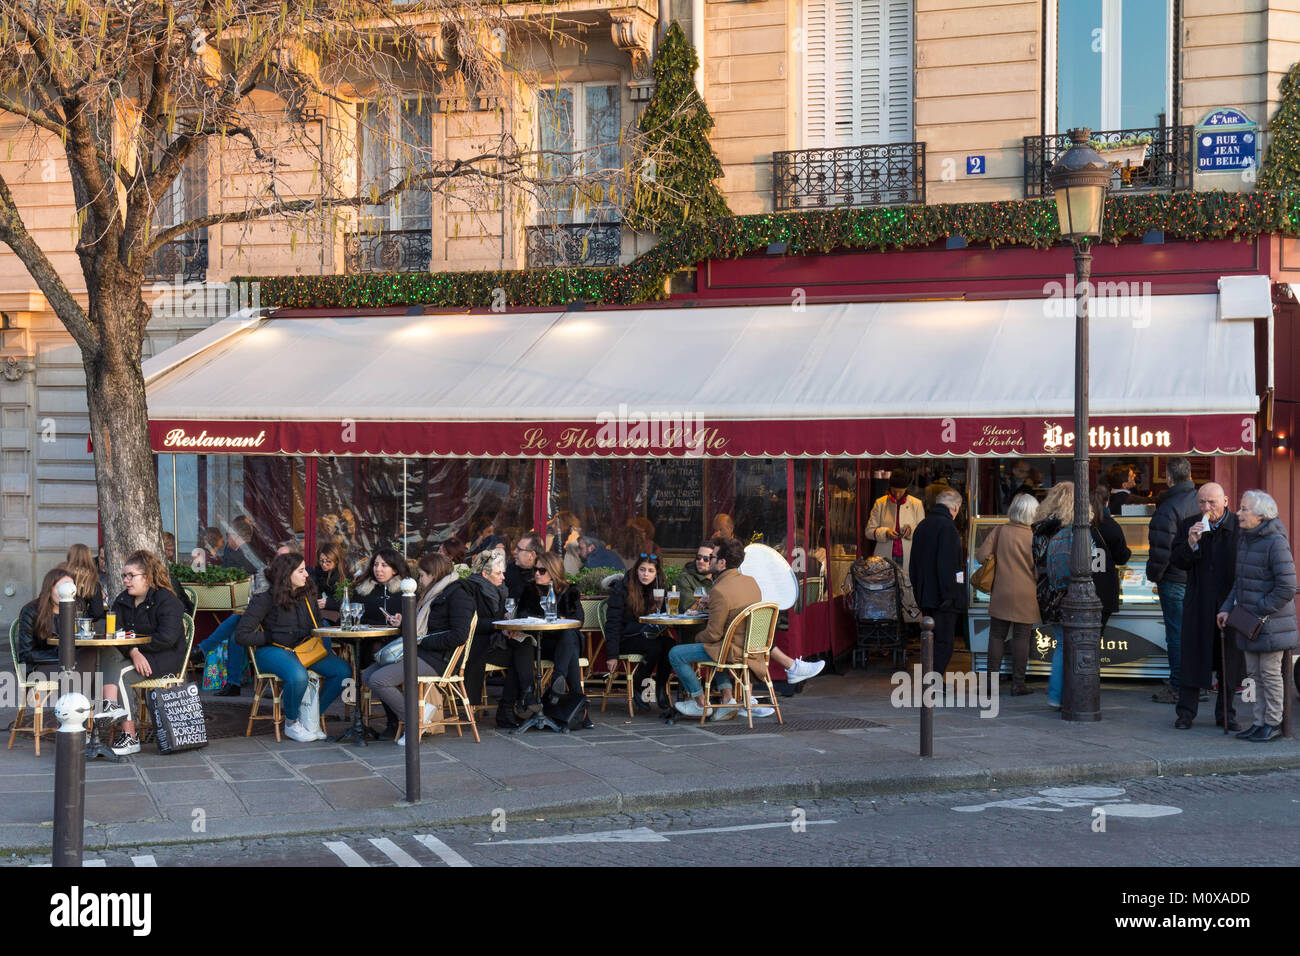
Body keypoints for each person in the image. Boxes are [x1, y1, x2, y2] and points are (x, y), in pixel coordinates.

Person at [671, 536, 823, 719]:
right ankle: (728, 701)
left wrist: (697, 638)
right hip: (751, 648)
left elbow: (713, 634)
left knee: (677, 654)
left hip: (731, 651)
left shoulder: (719, 590)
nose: (708, 560)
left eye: (712, 557)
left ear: (722, 563)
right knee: (714, 649)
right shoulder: (751, 582)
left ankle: (700, 703)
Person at [234, 552, 352, 743]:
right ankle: (291, 722)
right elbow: (241, 635)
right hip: (273, 650)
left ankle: (311, 717)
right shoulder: (265, 598)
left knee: (343, 671)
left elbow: (316, 625)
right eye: (301, 570)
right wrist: (271, 636)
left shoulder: (308, 595)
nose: (307, 574)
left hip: (305, 649)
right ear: (286, 574)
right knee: (298, 676)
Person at [1216, 490, 1298, 742]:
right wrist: (1227, 607)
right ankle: (1259, 721)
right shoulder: (1246, 539)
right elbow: (1239, 583)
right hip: (1248, 622)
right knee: (1254, 674)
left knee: (1270, 675)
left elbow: (1287, 587)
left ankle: (1272, 722)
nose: (1239, 513)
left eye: (1244, 509)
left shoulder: (1275, 542)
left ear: (1261, 514)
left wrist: (1258, 607)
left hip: (1269, 623)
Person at [361, 553, 461, 745]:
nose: (419, 580)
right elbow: (421, 626)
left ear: (434, 574)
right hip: (419, 651)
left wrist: (423, 641)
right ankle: (418, 715)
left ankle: (415, 723)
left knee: (379, 679)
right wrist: (403, 622)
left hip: (438, 658)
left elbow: (458, 635)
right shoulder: (433, 593)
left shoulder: (456, 595)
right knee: (368, 675)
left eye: (422, 575)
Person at [101, 550, 189, 756]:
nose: (125, 580)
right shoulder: (123, 600)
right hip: (135, 658)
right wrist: (133, 651)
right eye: (124, 576)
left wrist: (138, 650)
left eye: (131, 576)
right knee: (104, 655)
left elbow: (166, 638)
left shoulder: (167, 600)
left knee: (118, 673)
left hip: (164, 659)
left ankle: (128, 734)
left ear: (147, 577)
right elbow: (115, 634)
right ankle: (110, 707)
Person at [1169, 482, 1242, 730]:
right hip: (1198, 602)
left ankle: (1226, 714)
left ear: (1225, 501)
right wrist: (1191, 542)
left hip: (1228, 602)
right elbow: (1178, 561)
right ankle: (1186, 713)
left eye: (1212, 502)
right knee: (1192, 657)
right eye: (1202, 502)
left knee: (1228, 661)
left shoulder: (1238, 527)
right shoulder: (1190, 524)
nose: (1206, 507)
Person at [459, 550, 535, 728]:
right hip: (477, 647)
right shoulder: (470, 589)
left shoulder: (499, 589)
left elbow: (499, 618)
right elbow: (470, 624)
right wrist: (499, 626)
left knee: (525, 644)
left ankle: (523, 696)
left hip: (495, 643)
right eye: (498, 573)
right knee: (521, 658)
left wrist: (506, 627)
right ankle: (514, 704)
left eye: (503, 572)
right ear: (485, 574)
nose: (503, 577)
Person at [1146, 457, 1200, 703]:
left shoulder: (1168, 508)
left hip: (1175, 579)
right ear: (1189, 475)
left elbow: (1161, 552)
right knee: (1196, 633)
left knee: (1176, 634)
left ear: (1168, 478)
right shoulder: (1203, 501)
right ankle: (1199, 684)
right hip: (1198, 579)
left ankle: (1178, 686)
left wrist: (1153, 576)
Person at [975, 493, 1039, 696]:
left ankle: (990, 684)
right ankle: (1018, 684)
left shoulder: (1000, 530)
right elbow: (1039, 570)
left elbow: (980, 556)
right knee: (1022, 638)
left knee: (996, 636)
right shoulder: (1034, 536)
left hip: (1001, 591)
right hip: (1026, 594)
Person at [604, 554, 676, 712]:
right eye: (642, 569)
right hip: (626, 637)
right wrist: (612, 655)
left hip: (648, 636)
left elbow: (662, 617)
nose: (646, 574)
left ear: (656, 573)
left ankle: (661, 688)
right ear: (636, 570)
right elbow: (613, 623)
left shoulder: (659, 588)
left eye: (650, 571)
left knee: (670, 645)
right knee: (655, 647)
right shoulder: (622, 587)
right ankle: (638, 683)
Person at [1031, 482, 1079, 711]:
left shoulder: (1040, 528)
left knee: (1062, 643)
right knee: (1068, 645)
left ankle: (1056, 694)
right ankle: (1061, 694)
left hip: (1045, 591)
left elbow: (1036, 560)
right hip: (1067, 592)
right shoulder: (1073, 530)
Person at [909, 488, 966, 676]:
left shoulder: (923, 525)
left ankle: (929, 678)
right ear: (956, 507)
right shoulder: (948, 528)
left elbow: (913, 564)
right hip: (943, 598)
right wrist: (952, 596)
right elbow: (948, 566)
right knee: (944, 642)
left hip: (926, 596)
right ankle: (934, 679)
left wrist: (919, 592)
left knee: (929, 640)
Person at [516, 552, 585, 702]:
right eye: (535, 569)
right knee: (570, 649)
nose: (537, 574)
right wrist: (547, 620)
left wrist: (559, 621)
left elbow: (579, 620)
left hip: (561, 643)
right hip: (539, 643)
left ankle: (558, 680)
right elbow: (521, 616)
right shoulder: (530, 591)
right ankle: (574, 701)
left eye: (542, 570)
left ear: (553, 572)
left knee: (568, 635)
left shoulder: (569, 591)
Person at [1090, 483, 1131, 632]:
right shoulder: (1111, 526)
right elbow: (1122, 558)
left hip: (1079, 589)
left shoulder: (1079, 524)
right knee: (1095, 636)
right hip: (1104, 589)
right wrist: (1128, 552)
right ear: (1107, 502)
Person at [868, 468, 926, 571]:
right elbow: (869, 532)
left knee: (906, 584)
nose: (897, 495)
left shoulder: (917, 504)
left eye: (900, 491)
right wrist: (886, 533)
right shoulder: (880, 503)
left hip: (909, 555)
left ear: (906, 488)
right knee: (885, 585)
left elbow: (923, 533)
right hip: (884, 556)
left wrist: (910, 530)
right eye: (894, 491)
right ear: (890, 488)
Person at [65, 543, 107, 619]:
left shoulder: (60, 576)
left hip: (58, 623)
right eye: (101, 558)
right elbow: (97, 612)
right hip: (81, 625)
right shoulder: (91, 580)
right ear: (88, 558)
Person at [677, 542, 717, 607]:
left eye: (706, 559)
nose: (701, 561)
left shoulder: (720, 579)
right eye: (699, 557)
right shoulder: (685, 578)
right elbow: (689, 607)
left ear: (715, 560)